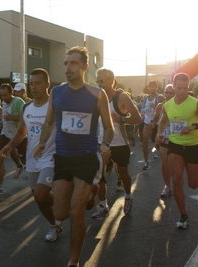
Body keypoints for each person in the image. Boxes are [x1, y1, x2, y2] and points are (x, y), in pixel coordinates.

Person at [34, 46, 114, 267]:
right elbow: (49, 122)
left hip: (87, 158)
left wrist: (106, 144)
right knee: (61, 212)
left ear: (85, 66)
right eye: (66, 63)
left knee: (76, 211)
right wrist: (41, 143)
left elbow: (108, 127)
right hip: (63, 158)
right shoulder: (57, 93)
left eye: (73, 63)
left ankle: (74, 262)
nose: (68, 67)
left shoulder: (97, 94)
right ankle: (90, 194)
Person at [1, 68, 65, 241]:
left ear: (47, 85)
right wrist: (9, 145)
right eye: (32, 84)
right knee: (39, 199)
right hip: (32, 159)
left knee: (40, 194)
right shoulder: (27, 108)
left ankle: (65, 205)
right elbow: (22, 132)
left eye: (38, 83)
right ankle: (55, 224)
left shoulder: (55, 107)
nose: (34, 87)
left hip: (50, 158)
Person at [156, 73, 198, 229]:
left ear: (188, 87)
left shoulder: (195, 104)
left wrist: (194, 127)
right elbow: (162, 122)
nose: (182, 91)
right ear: (173, 86)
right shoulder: (167, 105)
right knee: (176, 180)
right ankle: (183, 215)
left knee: (193, 184)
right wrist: (159, 133)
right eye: (179, 87)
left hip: (193, 145)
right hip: (175, 145)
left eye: (185, 88)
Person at [92, 68, 141, 220]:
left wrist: (122, 119)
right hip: (102, 142)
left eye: (103, 80)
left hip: (119, 143)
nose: (99, 83)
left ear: (112, 80)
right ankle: (103, 205)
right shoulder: (96, 97)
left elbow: (138, 118)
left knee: (123, 173)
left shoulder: (122, 97)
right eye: (97, 80)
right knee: (98, 174)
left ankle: (128, 196)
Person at [0, 83, 27, 195]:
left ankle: (38, 178)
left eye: (5, 95)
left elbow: (24, 117)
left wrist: (11, 118)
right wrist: (0, 123)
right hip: (6, 134)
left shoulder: (18, 102)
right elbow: (5, 119)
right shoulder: (4, 103)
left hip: (20, 135)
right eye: (2, 95)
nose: (3, 98)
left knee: (26, 160)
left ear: (11, 93)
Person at [152, 84, 175, 198]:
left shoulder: (181, 105)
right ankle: (167, 186)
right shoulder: (161, 106)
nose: (168, 95)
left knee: (175, 163)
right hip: (165, 137)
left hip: (179, 138)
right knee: (165, 162)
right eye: (167, 92)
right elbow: (156, 118)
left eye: (171, 93)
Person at [142, 81, 164, 170]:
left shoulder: (160, 97)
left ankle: (157, 150)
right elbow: (144, 108)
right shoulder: (146, 97)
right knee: (145, 141)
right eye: (150, 86)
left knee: (159, 142)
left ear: (156, 87)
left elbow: (163, 109)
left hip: (157, 123)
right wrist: (143, 112)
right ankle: (146, 162)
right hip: (147, 121)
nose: (151, 88)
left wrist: (155, 107)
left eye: (153, 86)